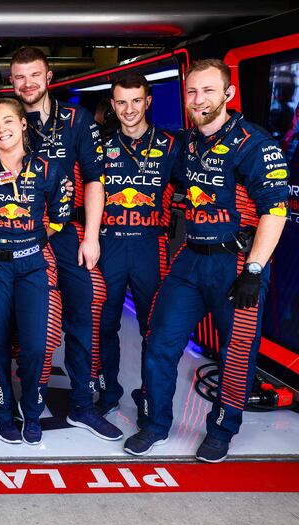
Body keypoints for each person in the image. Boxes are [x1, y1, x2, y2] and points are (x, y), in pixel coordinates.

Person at [123, 59, 290, 462]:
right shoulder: (187, 143)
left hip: (236, 264)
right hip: (189, 258)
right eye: (193, 91)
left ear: (228, 94)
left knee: (236, 352)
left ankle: (221, 429)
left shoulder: (256, 143)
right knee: (159, 340)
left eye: (208, 91)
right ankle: (156, 424)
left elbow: (276, 209)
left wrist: (254, 269)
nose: (199, 99)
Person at [10, 46, 121, 441]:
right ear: (11, 81)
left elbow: (95, 180)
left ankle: (82, 405)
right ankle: (24, 407)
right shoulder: (5, 119)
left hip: (68, 232)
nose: (27, 83)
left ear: (49, 77)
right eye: (19, 77)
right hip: (18, 233)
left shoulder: (76, 120)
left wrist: (91, 237)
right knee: (25, 323)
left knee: (83, 314)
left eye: (34, 75)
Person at [0, 98, 70, 444]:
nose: (2, 130)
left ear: (23, 124)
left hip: (34, 265)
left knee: (38, 345)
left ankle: (31, 411)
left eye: (8, 121)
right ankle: (2, 412)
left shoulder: (47, 168)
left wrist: (27, 241)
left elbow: (59, 218)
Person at [97, 73, 183, 424]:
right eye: (121, 102)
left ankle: (150, 399)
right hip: (108, 244)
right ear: (113, 105)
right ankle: (107, 394)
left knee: (155, 329)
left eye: (136, 101)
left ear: (148, 101)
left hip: (152, 246)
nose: (129, 109)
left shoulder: (173, 145)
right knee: (102, 326)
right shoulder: (98, 145)